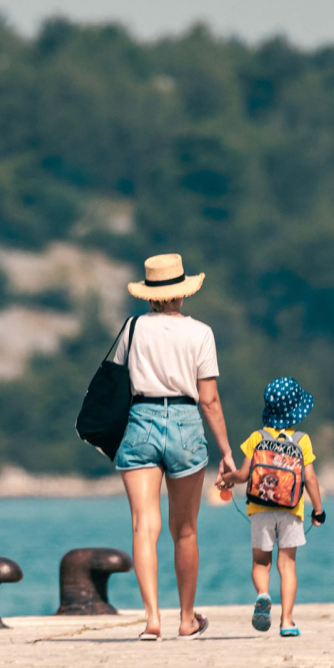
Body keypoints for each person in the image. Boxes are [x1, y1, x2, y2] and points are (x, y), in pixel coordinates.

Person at [113, 253, 233, 641]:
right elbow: (209, 400)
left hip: (140, 421)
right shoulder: (201, 333)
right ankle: (186, 619)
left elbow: (116, 382)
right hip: (184, 423)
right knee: (185, 530)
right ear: (182, 293)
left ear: (149, 292)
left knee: (143, 526)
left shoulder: (132, 329)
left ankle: (151, 620)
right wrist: (227, 452)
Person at [216, 376, 325, 637]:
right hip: (291, 510)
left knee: (260, 562)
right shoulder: (302, 440)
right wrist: (318, 510)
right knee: (287, 566)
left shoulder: (257, 437)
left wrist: (225, 481)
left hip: (260, 509)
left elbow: (243, 475)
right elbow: (310, 479)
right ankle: (287, 622)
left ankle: (263, 594)